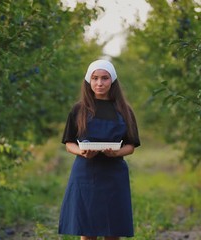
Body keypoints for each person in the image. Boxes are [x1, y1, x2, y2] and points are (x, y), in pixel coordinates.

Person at [58, 59, 141, 240]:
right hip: (85, 174)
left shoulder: (124, 111)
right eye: (95, 78)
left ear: (113, 81)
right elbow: (69, 142)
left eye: (104, 78)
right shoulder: (78, 109)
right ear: (89, 80)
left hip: (114, 176)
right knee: (87, 230)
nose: (99, 83)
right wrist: (81, 151)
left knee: (112, 231)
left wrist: (116, 153)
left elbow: (131, 145)